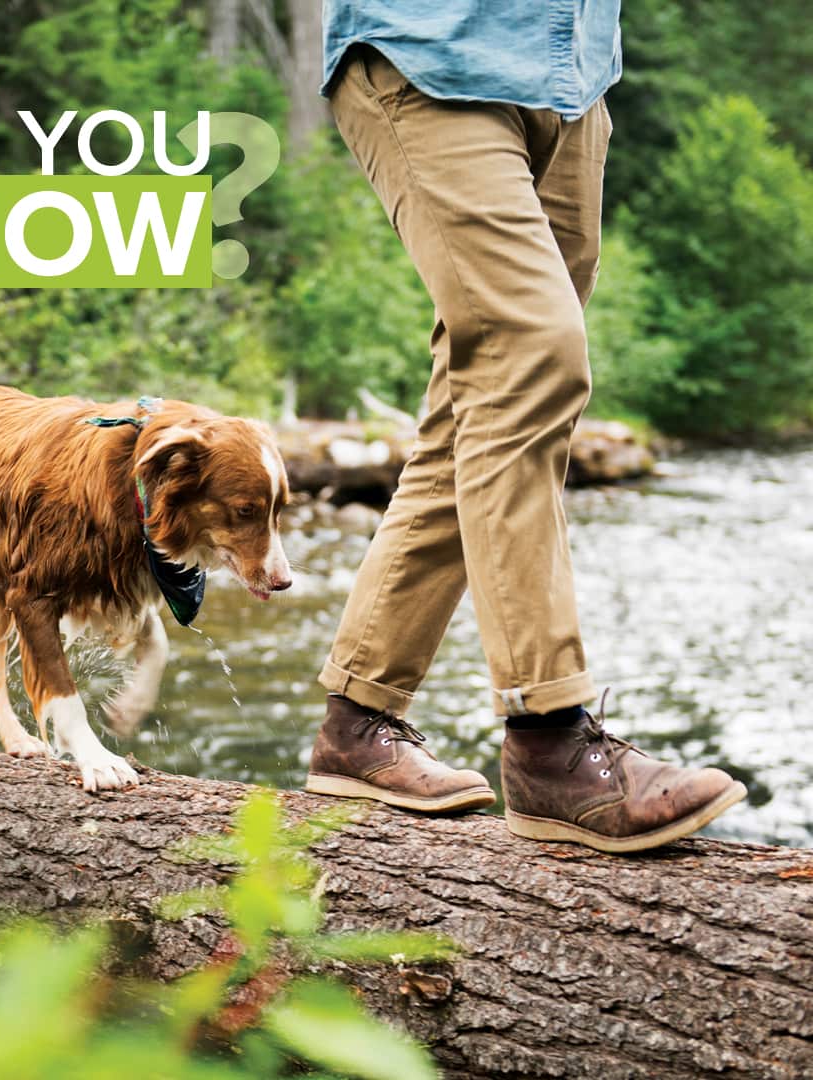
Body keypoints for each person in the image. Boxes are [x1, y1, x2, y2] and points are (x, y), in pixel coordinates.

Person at [303, 1, 747, 852]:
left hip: (572, 79)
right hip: (428, 57)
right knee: (535, 353)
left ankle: (357, 724)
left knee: (486, 395)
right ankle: (548, 738)